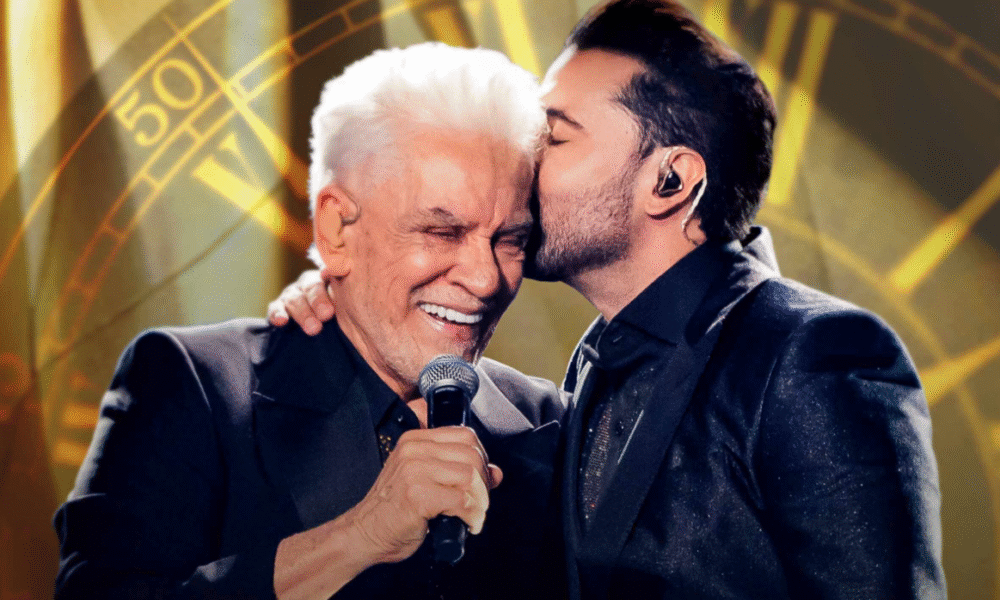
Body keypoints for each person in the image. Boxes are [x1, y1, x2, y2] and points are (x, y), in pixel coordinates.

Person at [271, 1, 946, 598]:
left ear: (670, 180)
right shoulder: (593, 365)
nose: (522, 160)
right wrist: (352, 292)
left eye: (554, 136)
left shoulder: (812, 354)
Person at [53, 43, 565, 600]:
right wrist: (361, 536)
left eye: (509, 240)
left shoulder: (549, 421)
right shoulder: (194, 386)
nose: (486, 279)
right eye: (441, 232)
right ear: (336, 231)